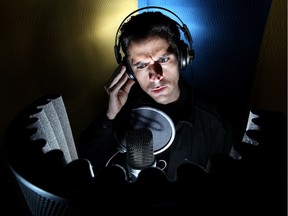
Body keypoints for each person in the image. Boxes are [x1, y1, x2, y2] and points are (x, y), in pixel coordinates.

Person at [77, 9, 236, 182]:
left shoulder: (215, 123)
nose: (155, 76)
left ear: (183, 57)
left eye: (163, 60)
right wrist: (110, 116)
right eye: (141, 66)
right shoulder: (119, 112)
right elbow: (84, 166)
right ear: (129, 72)